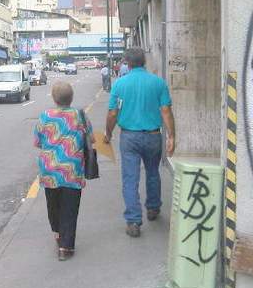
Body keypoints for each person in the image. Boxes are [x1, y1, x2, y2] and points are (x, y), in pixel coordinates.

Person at [104, 48, 175, 238]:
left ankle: (134, 221)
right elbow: (166, 111)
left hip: (129, 138)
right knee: (153, 172)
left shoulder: (120, 85)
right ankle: (153, 208)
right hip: (153, 136)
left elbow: (112, 113)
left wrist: (108, 133)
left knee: (130, 178)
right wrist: (171, 137)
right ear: (144, 62)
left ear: (127, 63)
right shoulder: (158, 83)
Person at [34, 81, 94, 261]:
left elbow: (37, 142)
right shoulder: (80, 115)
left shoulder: (44, 116)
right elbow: (91, 139)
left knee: (53, 205)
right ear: (71, 98)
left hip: (49, 170)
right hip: (72, 171)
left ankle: (59, 234)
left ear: (54, 98)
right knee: (70, 208)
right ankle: (66, 247)